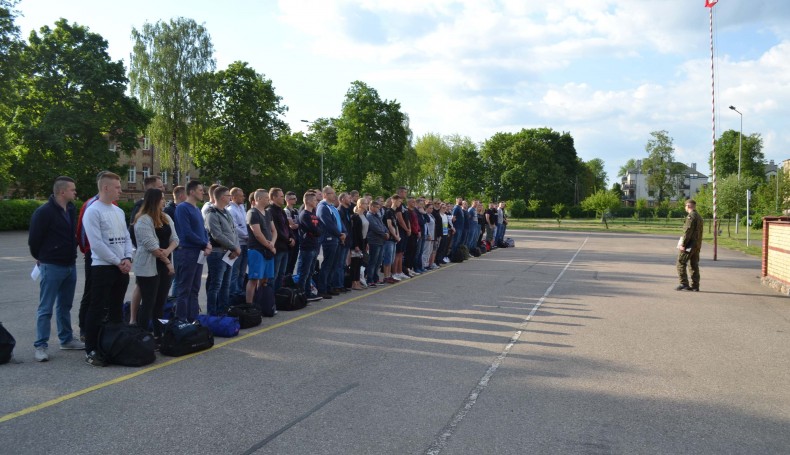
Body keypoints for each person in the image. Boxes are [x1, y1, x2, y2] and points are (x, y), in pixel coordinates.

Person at [28, 176, 84, 361]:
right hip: (51, 265)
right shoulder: (43, 212)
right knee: (46, 308)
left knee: (65, 305)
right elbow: (34, 241)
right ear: (62, 191)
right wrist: (42, 257)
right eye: (72, 189)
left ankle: (66, 340)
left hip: (69, 264)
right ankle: (40, 346)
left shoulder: (70, 209)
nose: (75, 192)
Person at [82, 172, 132, 366]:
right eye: (118, 187)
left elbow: (127, 237)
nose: (121, 190)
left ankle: (115, 343)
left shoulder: (118, 211)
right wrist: (118, 261)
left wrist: (127, 257)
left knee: (116, 308)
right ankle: (91, 349)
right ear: (105, 188)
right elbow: (96, 244)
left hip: (121, 268)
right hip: (103, 268)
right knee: (97, 308)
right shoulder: (93, 211)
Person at [132, 188, 178, 344]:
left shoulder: (165, 217)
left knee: (160, 303)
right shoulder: (143, 220)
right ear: (154, 201)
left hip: (163, 264)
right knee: (148, 303)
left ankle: (158, 335)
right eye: (162, 198)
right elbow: (152, 246)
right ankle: (142, 336)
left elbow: (175, 239)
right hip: (148, 266)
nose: (164, 201)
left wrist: (168, 251)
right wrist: (169, 263)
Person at [174, 180, 212, 322]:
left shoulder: (196, 208)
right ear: (191, 191)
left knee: (195, 288)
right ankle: (181, 320)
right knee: (184, 289)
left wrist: (207, 242)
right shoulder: (182, 208)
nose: (203, 192)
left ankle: (193, 319)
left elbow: (202, 230)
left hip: (198, 252)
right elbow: (186, 232)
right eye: (200, 190)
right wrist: (204, 244)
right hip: (187, 252)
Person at [204, 186, 240, 315]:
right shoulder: (211, 213)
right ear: (221, 197)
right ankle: (212, 314)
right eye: (227, 195)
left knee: (226, 285)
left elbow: (233, 231)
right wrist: (234, 247)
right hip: (217, 253)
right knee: (216, 285)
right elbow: (217, 235)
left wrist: (236, 248)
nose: (230, 197)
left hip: (229, 253)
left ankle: (223, 312)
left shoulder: (226, 212)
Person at [246, 189, 277, 305]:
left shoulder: (268, 213)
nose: (268, 200)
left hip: (268, 250)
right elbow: (257, 234)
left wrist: (272, 244)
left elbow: (274, 231)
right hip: (256, 250)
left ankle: (260, 302)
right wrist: (270, 246)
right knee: (253, 279)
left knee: (265, 279)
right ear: (258, 199)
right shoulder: (252, 213)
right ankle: (249, 305)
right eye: (266, 198)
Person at [316, 186, 345, 299]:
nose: (334, 195)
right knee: (327, 265)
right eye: (331, 193)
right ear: (325, 195)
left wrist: (344, 232)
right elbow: (328, 223)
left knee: (334, 265)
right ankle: (322, 289)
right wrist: (339, 234)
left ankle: (329, 287)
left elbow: (339, 222)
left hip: (337, 239)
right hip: (329, 239)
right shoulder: (322, 207)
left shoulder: (332, 207)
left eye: (334, 193)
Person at [296, 191, 323, 300]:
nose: (316, 202)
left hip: (314, 245)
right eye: (314, 200)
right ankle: (301, 294)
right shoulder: (304, 215)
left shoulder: (314, 215)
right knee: (304, 272)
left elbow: (320, 229)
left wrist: (317, 231)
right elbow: (313, 229)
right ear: (307, 201)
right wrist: (316, 231)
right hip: (307, 247)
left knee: (311, 271)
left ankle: (308, 292)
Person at [267, 188, 294, 291]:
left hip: (285, 247)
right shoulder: (270, 211)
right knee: (274, 274)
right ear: (274, 197)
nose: (283, 198)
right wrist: (288, 240)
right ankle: (270, 298)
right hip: (278, 246)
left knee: (281, 274)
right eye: (281, 196)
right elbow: (276, 229)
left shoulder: (281, 211)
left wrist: (292, 237)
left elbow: (287, 226)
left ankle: (278, 295)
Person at [676, 199, 703, 291]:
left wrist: (683, 244)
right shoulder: (699, 217)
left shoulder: (690, 217)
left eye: (685, 206)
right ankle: (695, 286)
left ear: (688, 206)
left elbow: (687, 231)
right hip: (697, 245)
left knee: (680, 262)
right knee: (694, 265)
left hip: (689, 245)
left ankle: (684, 283)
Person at [227, 187, 248, 300]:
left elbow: (245, 224)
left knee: (242, 270)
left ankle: (239, 291)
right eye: (241, 195)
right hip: (238, 243)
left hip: (246, 243)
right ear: (234, 197)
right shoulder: (231, 210)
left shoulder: (242, 208)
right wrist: (246, 235)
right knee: (235, 270)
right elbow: (234, 227)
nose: (243, 197)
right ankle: (233, 294)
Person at [366, 200, 389, 286]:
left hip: (381, 241)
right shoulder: (369, 216)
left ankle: (376, 278)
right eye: (377, 207)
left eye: (379, 208)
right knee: (373, 261)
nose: (378, 209)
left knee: (378, 261)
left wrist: (387, 232)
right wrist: (384, 234)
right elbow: (374, 227)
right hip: (374, 241)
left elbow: (383, 225)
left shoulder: (377, 216)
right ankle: (370, 279)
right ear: (371, 207)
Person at [349, 199, 369, 290]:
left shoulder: (364, 215)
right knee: (355, 263)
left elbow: (365, 231)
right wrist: (356, 245)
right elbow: (355, 232)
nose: (367, 205)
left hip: (363, 241)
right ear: (360, 204)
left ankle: (358, 281)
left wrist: (366, 242)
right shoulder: (355, 217)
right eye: (365, 203)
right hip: (357, 242)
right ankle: (354, 282)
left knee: (360, 262)